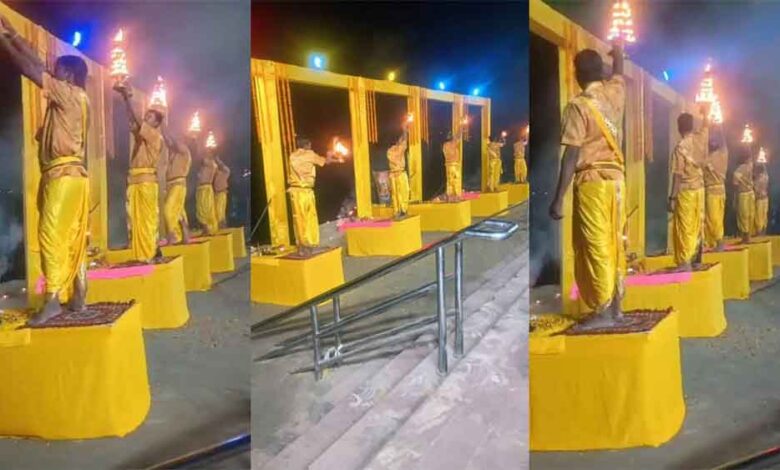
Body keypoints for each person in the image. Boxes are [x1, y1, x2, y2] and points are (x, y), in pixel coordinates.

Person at [0, 16, 90, 324]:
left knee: (51, 235)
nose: (52, 72)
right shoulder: (79, 99)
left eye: (57, 70)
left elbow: (31, 69)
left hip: (63, 177)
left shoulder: (68, 93)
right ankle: (79, 295)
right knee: (71, 236)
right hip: (74, 177)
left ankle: (52, 300)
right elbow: (37, 63)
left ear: (68, 75)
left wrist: (3, 41)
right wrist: (13, 34)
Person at [549, 44, 626, 328]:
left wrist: (558, 198)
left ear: (578, 74)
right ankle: (616, 308)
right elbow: (619, 74)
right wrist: (619, 55)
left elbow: (571, 154)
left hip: (592, 182)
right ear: (601, 73)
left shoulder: (578, 106)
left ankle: (603, 311)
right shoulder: (615, 94)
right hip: (617, 182)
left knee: (596, 244)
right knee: (615, 242)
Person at [114, 81, 164, 262]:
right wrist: (124, 100)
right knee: (134, 220)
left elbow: (137, 121)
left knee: (147, 220)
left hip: (146, 183)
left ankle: (149, 254)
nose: (145, 118)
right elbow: (133, 120)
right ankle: (145, 254)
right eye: (146, 115)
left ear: (156, 123)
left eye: (149, 117)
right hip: (135, 181)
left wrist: (128, 97)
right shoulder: (142, 135)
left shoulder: (155, 135)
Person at [669, 107, 709, 270]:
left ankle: (685, 262)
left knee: (685, 227)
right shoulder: (700, 140)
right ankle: (697, 260)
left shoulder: (680, 147)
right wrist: (706, 113)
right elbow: (706, 127)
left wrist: (672, 197)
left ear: (679, 128)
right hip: (700, 190)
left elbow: (678, 174)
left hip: (686, 192)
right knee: (698, 224)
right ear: (692, 126)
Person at [287, 137, 338, 255]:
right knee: (309, 218)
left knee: (298, 219)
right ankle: (310, 245)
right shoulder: (309, 154)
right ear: (307, 145)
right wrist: (330, 154)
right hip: (305, 192)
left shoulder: (292, 156)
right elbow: (325, 161)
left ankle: (301, 246)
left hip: (294, 192)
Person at [162, 129, 192, 244]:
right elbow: (169, 142)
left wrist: (166, 129)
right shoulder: (173, 154)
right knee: (178, 212)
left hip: (178, 185)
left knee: (168, 210)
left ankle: (173, 235)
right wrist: (164, 131)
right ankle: (183, 236)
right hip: (171, 185)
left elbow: (174, 143)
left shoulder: (185, 151)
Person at [703, 125, 728, 251]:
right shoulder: (707, 158)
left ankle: (719, 243)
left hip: (716, 192)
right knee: (712, 218)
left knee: (714, 219)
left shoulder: (722, 154)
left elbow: (723, 142)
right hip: (714, 191)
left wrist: (719, 126)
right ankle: (713, 243)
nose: (712, 142)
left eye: (714, 140)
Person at [387, 123, 410, 219]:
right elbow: (403, 142)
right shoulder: (396, 150)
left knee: (395, 194)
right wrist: (405, 131)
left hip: (393, 175)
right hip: (399, 174)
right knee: (403, 192)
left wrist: (404, 132)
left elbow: (402, 142)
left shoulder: (389, 151)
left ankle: (397, 212)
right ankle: (402, 211)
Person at [196, 147, 220, 235]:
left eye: (208, 152)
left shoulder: (211, 163)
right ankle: (206, 229)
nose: (206, 153)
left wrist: (198, 144)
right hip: (201, 188)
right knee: (201, 210)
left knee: (206, 209)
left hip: (206, 189)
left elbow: (201, 159)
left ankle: (210, 229)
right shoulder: (208, 164)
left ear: (211, 154)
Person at [442, 121, 467, 202]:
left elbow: (457, 138)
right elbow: (458, 137)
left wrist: (461, 128)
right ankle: (454, 197)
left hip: (451, 165)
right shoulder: (449, 144)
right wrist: (461, 128)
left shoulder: (447, 144)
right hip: (452, 165)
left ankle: (453, 197)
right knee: (454, 181)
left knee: (452, 181)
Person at [733, 151, 755, 243]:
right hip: (751, 193)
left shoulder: (740, 169)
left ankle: (745, 237)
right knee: (750, 215)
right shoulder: (751, 167)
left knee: (743, 215)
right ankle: (748, 236)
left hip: (744, 194)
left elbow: (735, 183)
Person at [213, 157, 231, 228]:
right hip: (216, 195)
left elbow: (227, 169)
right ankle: (221, 227)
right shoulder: (214, 175)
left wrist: (219, 161)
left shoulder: (224, 173)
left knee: (220, 213)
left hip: (221, 194)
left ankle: (222, 227)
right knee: (219, 213)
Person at [753, 160, 769, 236]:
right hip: (765, 198)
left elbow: (756, 189)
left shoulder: (758, 179)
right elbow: (765, 170)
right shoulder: (766, 177)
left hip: (759, 199)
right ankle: (763, 232)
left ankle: (759, 233)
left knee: (758, 217)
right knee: (764, 216)